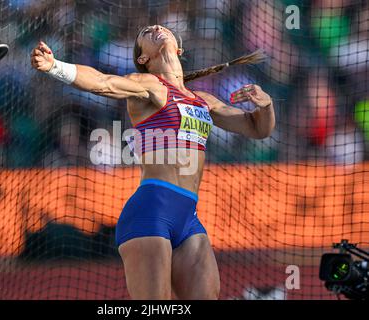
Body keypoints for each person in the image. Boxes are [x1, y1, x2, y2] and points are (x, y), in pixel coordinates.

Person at [31, 25, 275, 300]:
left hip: (188, 219)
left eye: (160, 28)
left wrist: (265, 105)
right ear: (144, 59)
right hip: (150, 213)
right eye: (146, 33)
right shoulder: (150, 86)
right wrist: (55, 66)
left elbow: (258, 129)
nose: (156, 28)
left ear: (178, 48)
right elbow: (103, 82)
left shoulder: (204, 101)